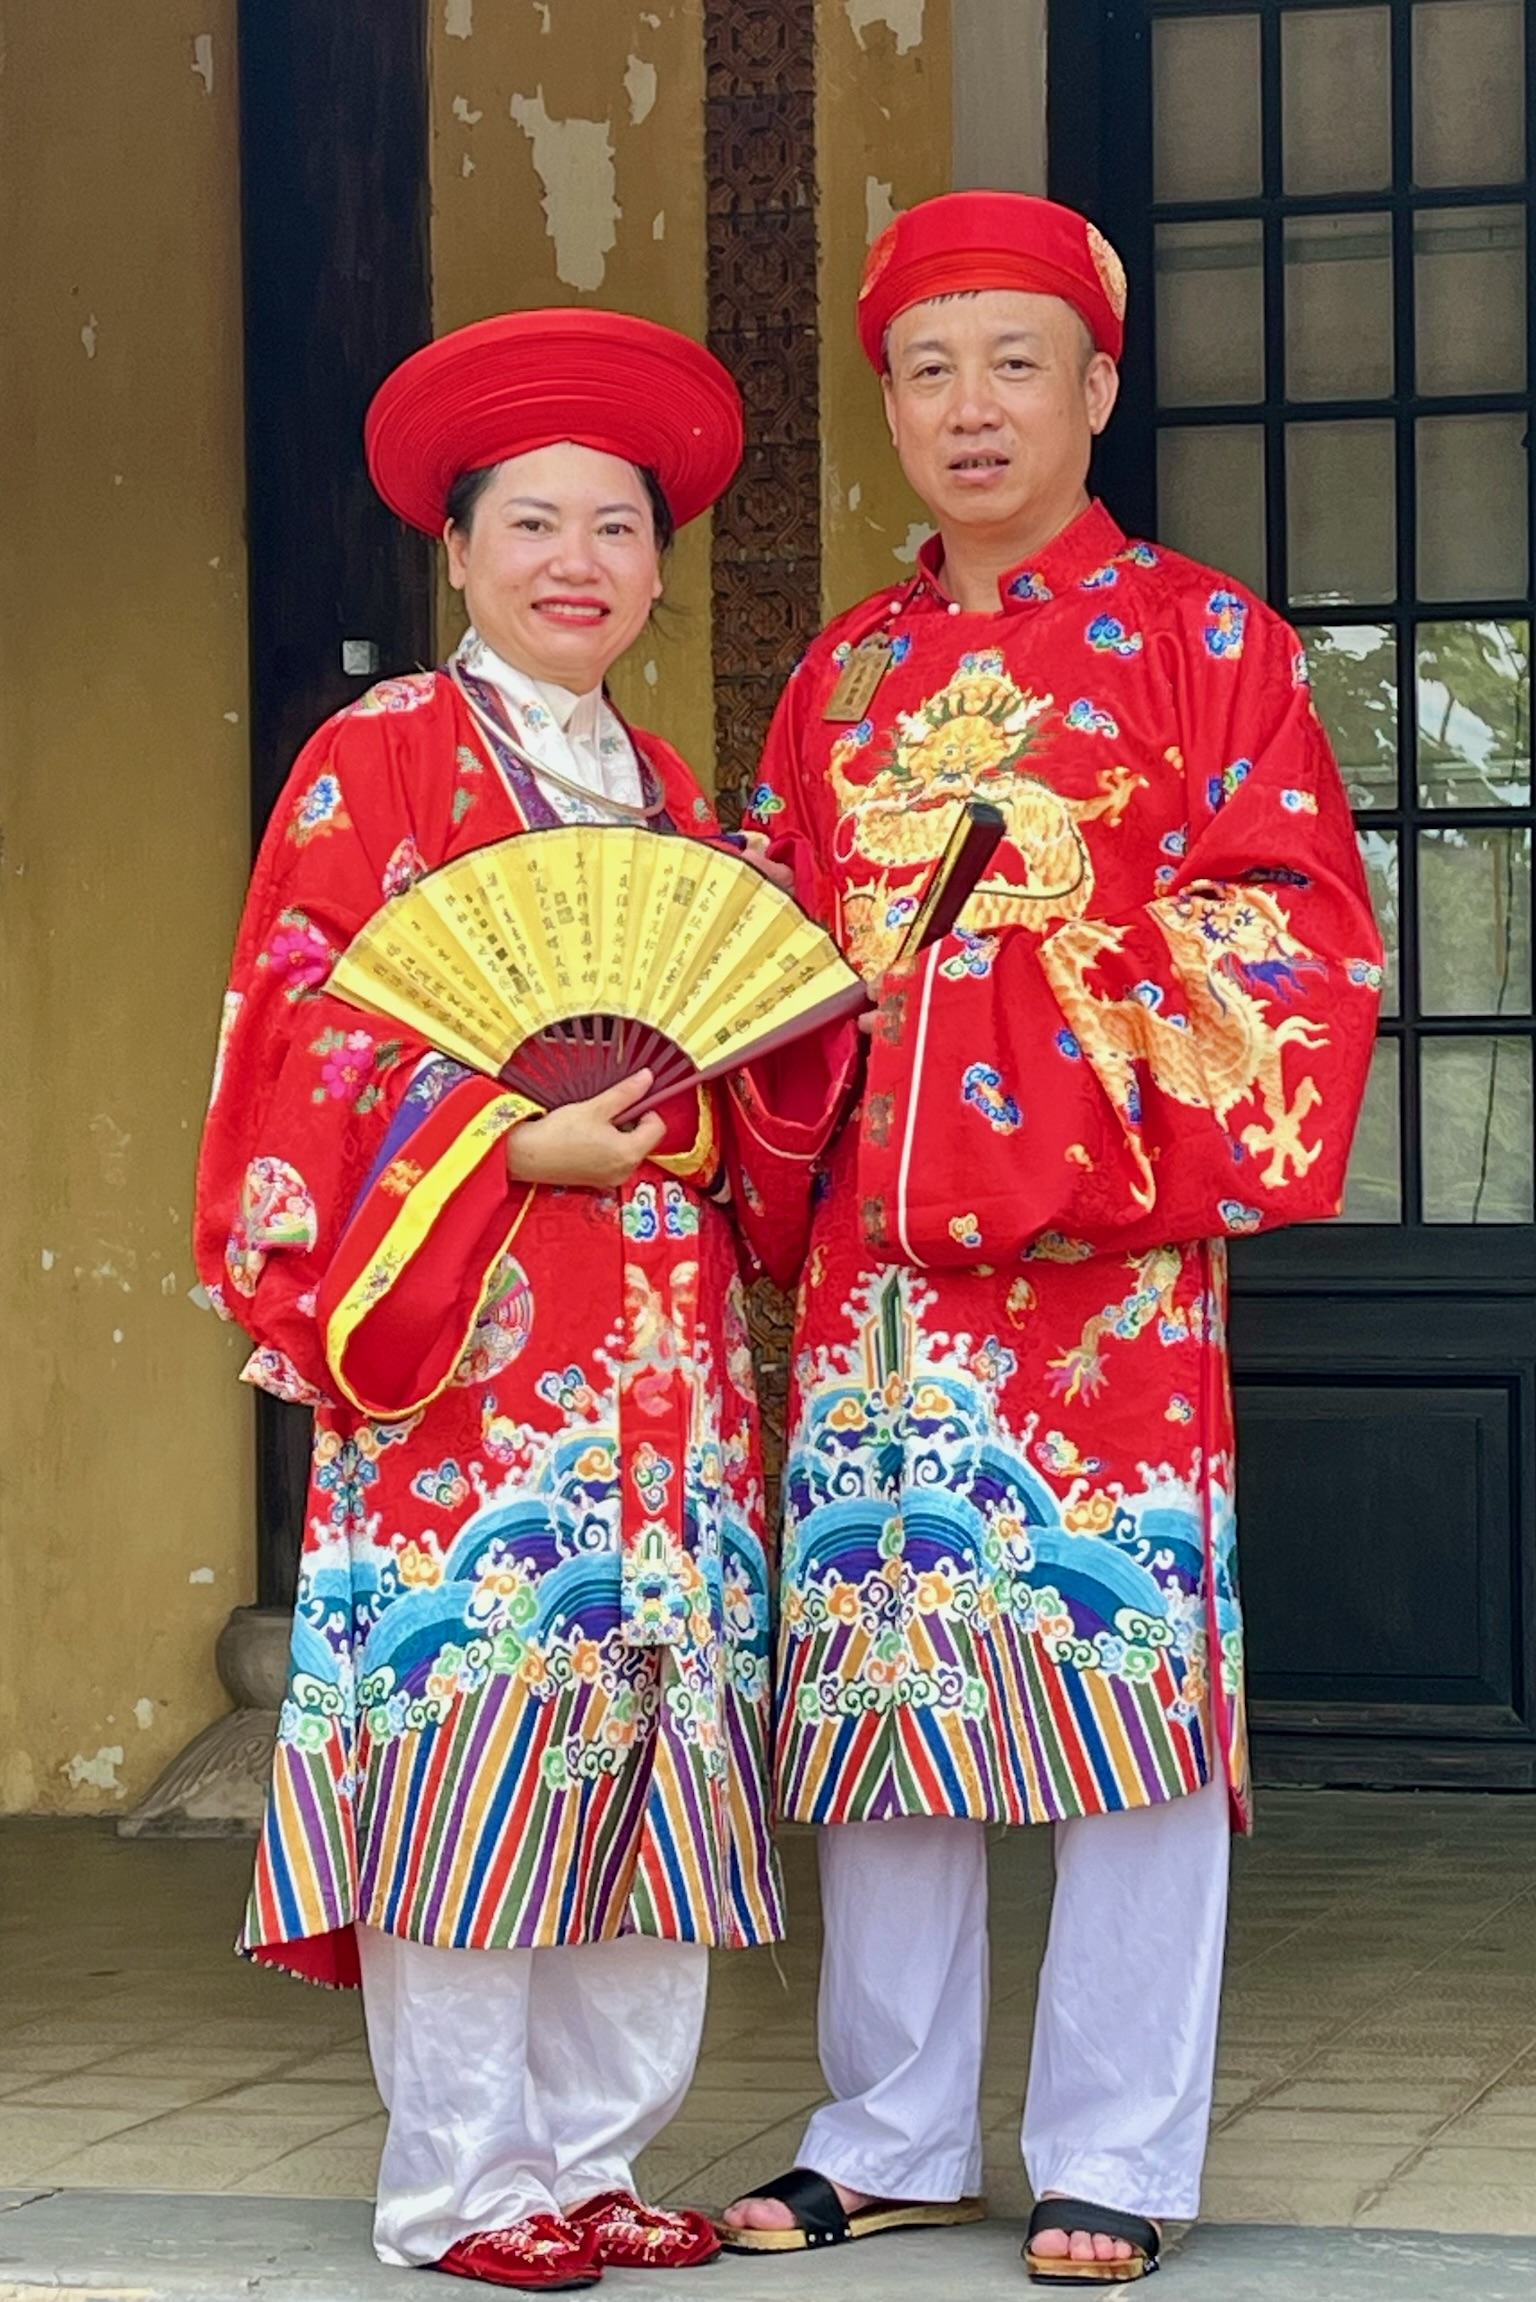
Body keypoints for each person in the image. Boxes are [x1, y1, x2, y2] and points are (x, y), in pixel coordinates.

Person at [717, 193, 1382, 2284]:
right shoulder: (841, 674)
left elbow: (1287, 943)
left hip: (1107, 1279)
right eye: (929, 369)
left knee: (1125, 1707)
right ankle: (890, 2128)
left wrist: (990, 1001)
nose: (972, 406)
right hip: (876, 1290)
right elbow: (764, 961)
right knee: (883, 1696)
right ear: (891, 408)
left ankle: (1116, 2144)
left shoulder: (1209, 645)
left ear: (1098, 388)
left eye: (1017, 362)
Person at [194, 309, 788, 2293]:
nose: (575, 562)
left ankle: (599, 2156)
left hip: (662, 1367)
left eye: (615, 527)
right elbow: (302, 1037)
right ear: (455, 549)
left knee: (644, 1742)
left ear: (656, 566)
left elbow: (721, 1043)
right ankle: (463, 2180)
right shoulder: (378, 760)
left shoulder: (674, 795)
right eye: (531, 521)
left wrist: (728, 1100)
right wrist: (505, 1141)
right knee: (478, 1734)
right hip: (465, 1352)